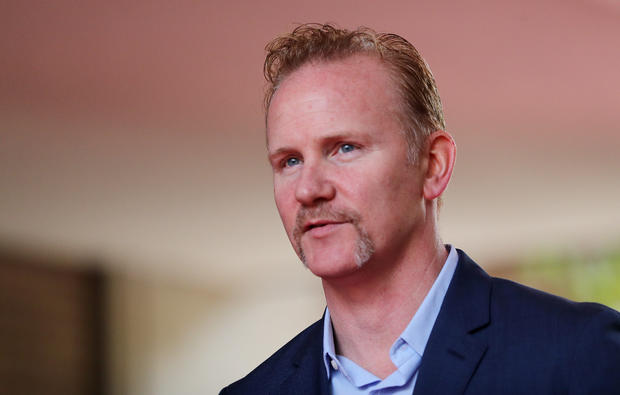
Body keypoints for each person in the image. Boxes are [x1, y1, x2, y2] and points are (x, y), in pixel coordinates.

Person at [220, 23, 620, 394]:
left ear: (433, 165)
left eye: (344, 148)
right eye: (290, 161)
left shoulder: (583, 355)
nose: (309, 189)